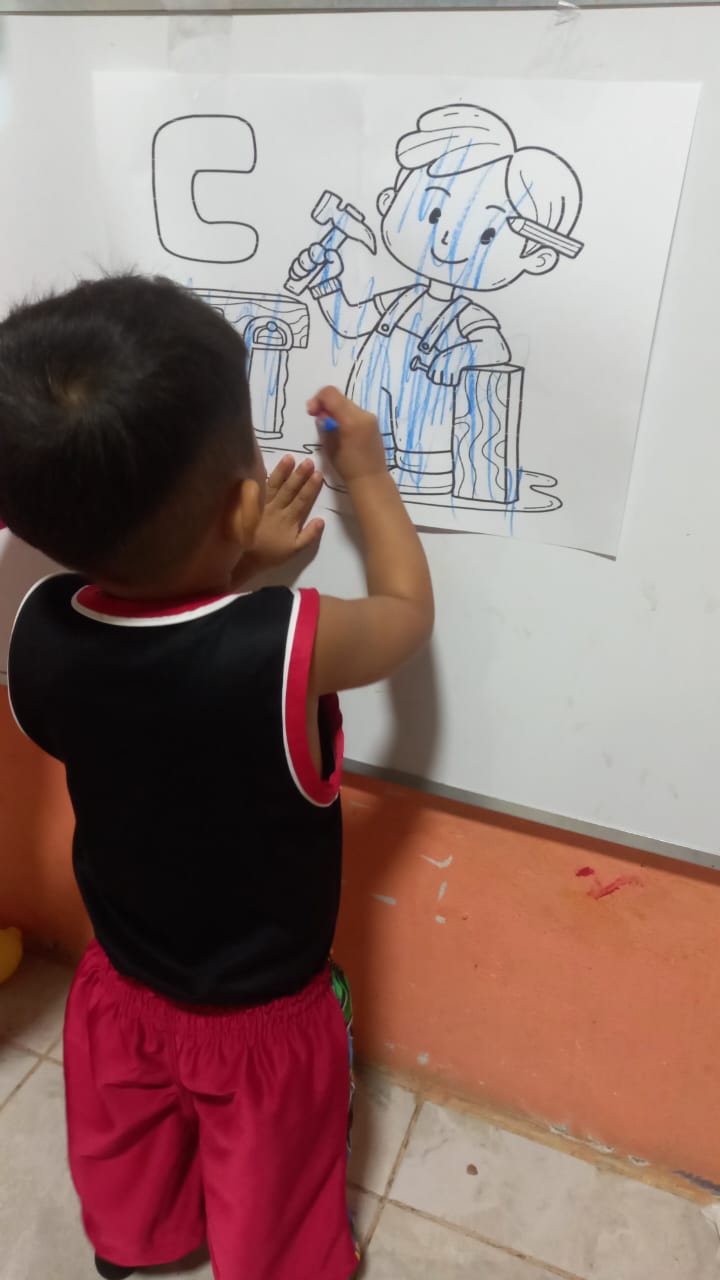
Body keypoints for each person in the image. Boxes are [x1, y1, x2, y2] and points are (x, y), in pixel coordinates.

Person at [0, 274, 434, 1280]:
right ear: (244, 502)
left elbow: (153, 667)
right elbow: (405, 616)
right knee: (274, 1185)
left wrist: (232, 567)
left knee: (124, 1141)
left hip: (121, 980)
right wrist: (369, 476)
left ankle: (133, 1245)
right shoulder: (286, 643)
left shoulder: (36, 635)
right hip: (261, 1018)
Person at [290, 104, 582, 497]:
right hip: (370, 418)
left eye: (486, 235)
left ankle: (420, 471)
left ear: (537, 257)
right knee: (369, 446)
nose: (448, 239)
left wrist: (458, 357)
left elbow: (492, 348)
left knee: (419, 461)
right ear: (389, 201)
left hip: (425, 419)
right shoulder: (402, 301)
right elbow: (353, 322)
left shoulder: (468, 317)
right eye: (434, 213)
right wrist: (326, 281)